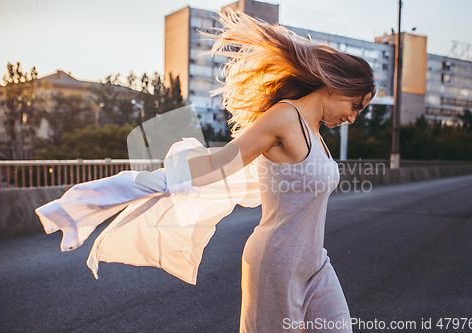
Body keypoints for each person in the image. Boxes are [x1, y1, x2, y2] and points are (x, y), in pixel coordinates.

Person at [36, 9, 375, 333]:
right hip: (277, 265)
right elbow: (219, 164)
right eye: (354, 105)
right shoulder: (285, 118)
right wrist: (146, 182)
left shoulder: (316, 134)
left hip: (316, 264)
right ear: (335, 84)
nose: (353, 117)